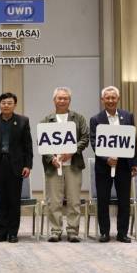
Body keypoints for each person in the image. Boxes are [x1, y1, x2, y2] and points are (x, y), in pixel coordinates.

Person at [89, 86, 137, 243]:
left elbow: (133, 140)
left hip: (124, 165)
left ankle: (122, 233)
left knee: (124, 201)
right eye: (107, 98)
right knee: (103, 200)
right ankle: (104, 232)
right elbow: (94, 142)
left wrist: (134, 163)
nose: (110, 100)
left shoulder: (128, 116)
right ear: (102, 100)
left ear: (118, 99)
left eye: (113, 97)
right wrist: (106, 158)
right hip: (103, 167)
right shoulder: (95, 119)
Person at [41, 87, 90, 243]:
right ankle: (55, 231)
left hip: (73, 165)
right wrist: (51, 158)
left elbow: (85, 138)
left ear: (69, 100)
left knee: (74, 200)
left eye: (65, 98)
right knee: (53, 201)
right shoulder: (46, 120)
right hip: (53, 167)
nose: (62, 101)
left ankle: (72, 231)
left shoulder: (79, 118)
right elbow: (41, 143)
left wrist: (72, 151)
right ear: (54, 100)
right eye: (59, 98)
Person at [0, 92, 33, 243]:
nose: (6, 105)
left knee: (14, 201)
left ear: (14, 105)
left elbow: (27, 145)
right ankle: (1, 233)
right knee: (0, 200)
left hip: (16, 166)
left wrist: (28, 165)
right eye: (3, 103)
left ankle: (12, 233)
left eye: (9, 103)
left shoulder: (23, 121)